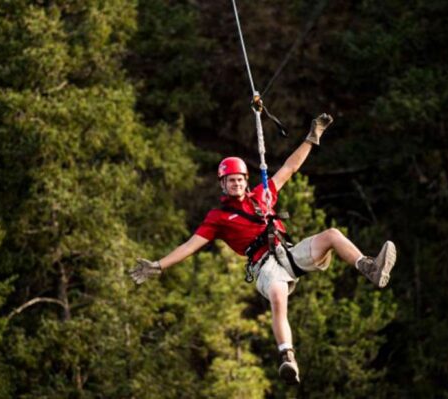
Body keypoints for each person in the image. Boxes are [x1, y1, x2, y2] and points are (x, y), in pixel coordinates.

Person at [129, 113, 396, 385]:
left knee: (332, 235)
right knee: (279, 296)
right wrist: (159, 265)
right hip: (264, 267)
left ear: (246, 181)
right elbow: (190, 245)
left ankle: (369, 267)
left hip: (287, 253)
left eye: (239, 179)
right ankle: (287, 357)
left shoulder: (262, 195)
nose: (236, 184)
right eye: (230, 180)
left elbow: (290, 168)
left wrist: (311, 138)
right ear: (222, 184)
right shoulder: (218, 218)